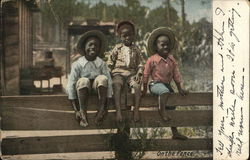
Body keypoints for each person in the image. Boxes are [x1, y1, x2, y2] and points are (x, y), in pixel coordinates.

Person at [142, 27, 188, 140]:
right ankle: (161, 111)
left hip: (167, 86)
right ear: (156, 47)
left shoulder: (171, 60)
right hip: (155, 85)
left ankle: (175, 132)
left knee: (172, 106)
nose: (165, 47)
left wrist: (180, 88)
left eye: (167, 44)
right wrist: (144, 89)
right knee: (164, 91)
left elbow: (177, 76)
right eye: (162, 45)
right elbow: (146, 75)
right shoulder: (152, 59)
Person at [66, 30, 112, 127]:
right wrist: (76, 110)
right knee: (83, 80)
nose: (93, 47)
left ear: (99, 49)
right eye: (90, 44)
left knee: (102, 78)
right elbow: (71, 85)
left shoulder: (102, 64)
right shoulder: (77, 64)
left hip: (97, 90)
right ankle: (82, 112)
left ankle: (101, 110)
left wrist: (106, 107)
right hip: (83, 91)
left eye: (96, 45)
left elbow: (109, 84)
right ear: (84, 47)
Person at [107, 21, 145, 123]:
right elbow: (110, 62)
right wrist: (109, 72)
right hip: (118, 73)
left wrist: (139, 72)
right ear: (120, 37)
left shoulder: (136, 49)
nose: (127, 38)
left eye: (130, 35)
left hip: (131, 74)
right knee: (116, 85)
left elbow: (141, 63)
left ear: (133, 36)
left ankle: (136, 110)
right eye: (124, 36)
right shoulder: (117, 48)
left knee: (137, 85)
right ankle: (118, 112)